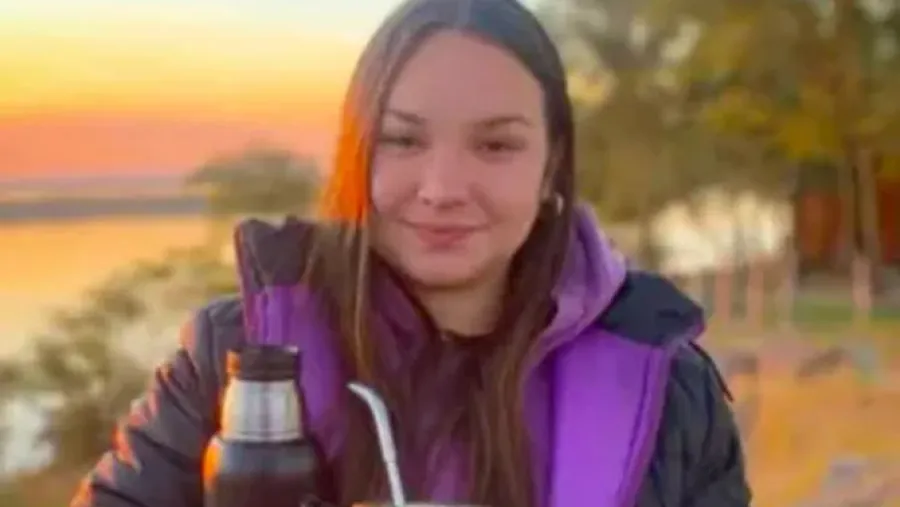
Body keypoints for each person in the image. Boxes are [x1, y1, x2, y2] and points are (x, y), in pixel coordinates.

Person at [72, 0, 752, 506]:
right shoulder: (236, 359)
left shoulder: (670, 390)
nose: (442, 188)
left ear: (551, 166)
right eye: (402, 140)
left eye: (496, 145)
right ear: (357, 154)